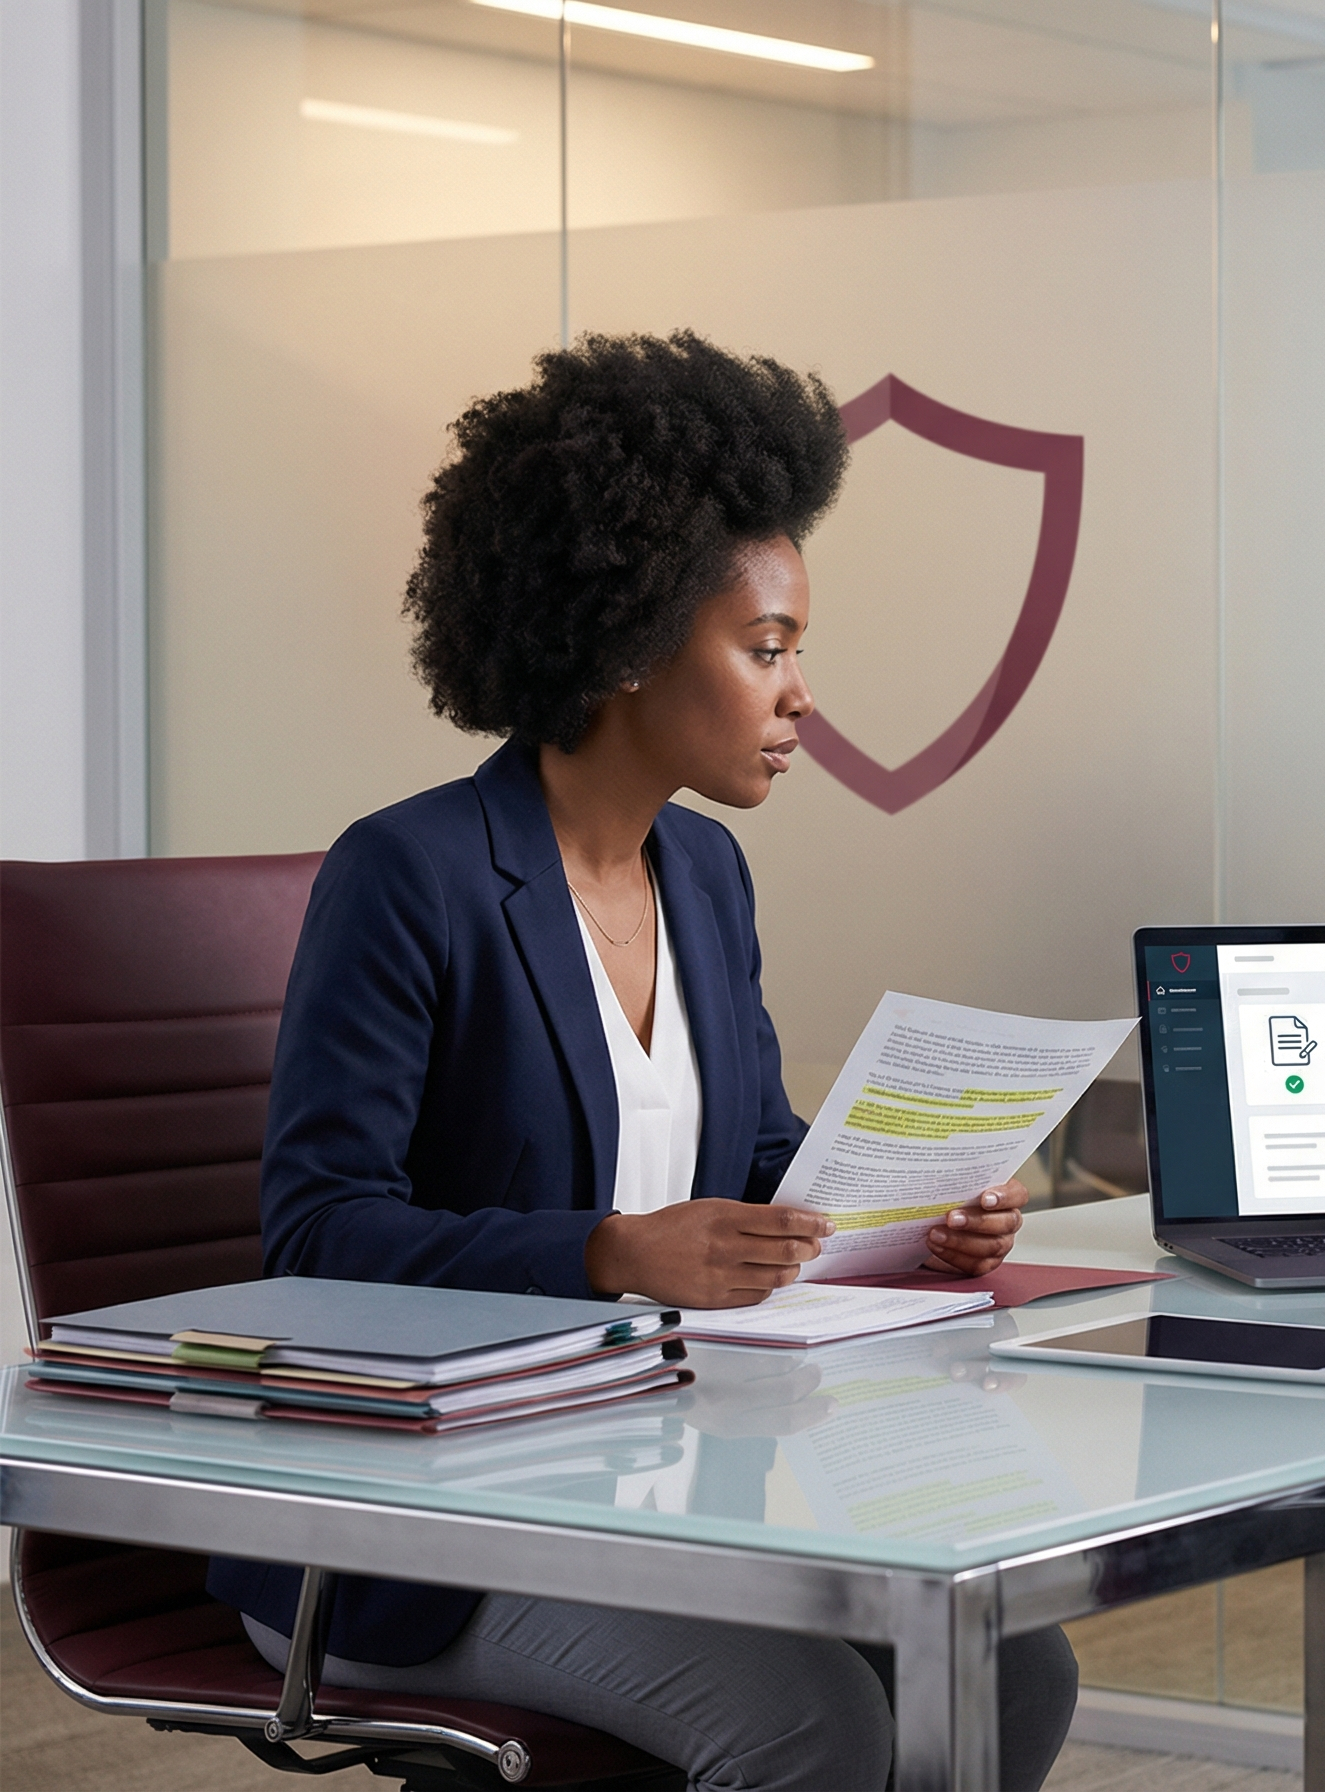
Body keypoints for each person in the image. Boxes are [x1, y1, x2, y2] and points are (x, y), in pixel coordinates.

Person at [207, 332, 1078, 1792]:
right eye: (769, 647)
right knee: (818, 1724)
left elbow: (743, 1169)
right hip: (423, 1523)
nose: (803, 692)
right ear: (622, 643)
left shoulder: (707, 872)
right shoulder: (408, 875)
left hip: (661, 1472)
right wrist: (608, 1252)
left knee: (1010, 1663)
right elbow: (315, 1233)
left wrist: (910, 1215)